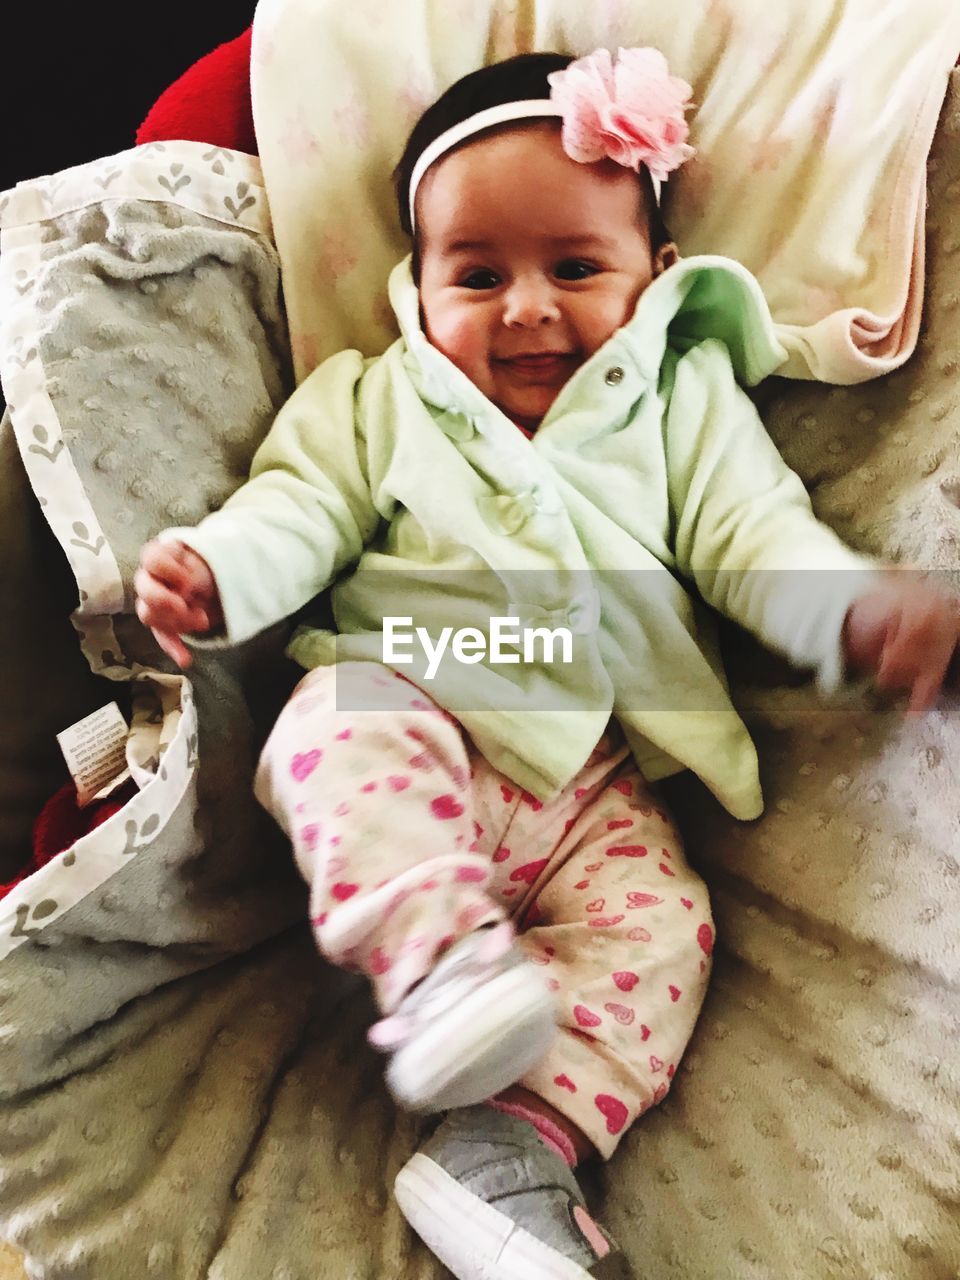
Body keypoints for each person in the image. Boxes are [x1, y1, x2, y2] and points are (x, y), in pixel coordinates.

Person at [134, 48, 960, 1280]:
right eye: (478, 274)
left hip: (596, 775)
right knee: (333, 728)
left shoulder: (681, 398)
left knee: (669, 929)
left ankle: (509, 1147)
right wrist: (213, 570)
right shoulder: (377, 399)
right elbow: (295, 509)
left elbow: (754, 540)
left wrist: (856, 610)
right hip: (417, 687)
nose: (526, 307)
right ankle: (439, 964)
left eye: (576, 268)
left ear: (657, 277)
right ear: (417, 287)